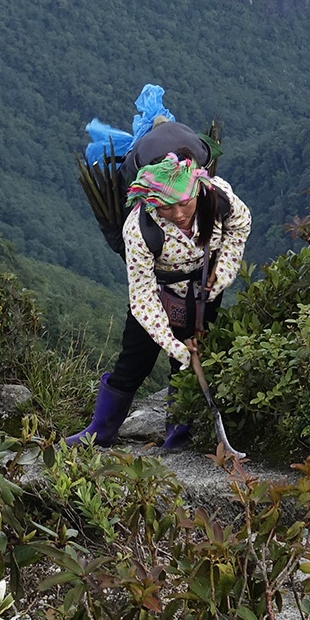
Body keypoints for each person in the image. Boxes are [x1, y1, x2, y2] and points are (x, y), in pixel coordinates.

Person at [66, 146, 251, 450]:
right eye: (165, 207)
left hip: (203, 292)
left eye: (184, 203)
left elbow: (240, 225)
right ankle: (101, 431)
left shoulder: (219, 199)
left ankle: (179, 435)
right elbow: (142, 294)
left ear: (197, 190)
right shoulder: (139, 229)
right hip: (158, 294)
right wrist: (172, 343)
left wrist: (224, 271)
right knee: (133, 362)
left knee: (189, 366)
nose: (178, 214)